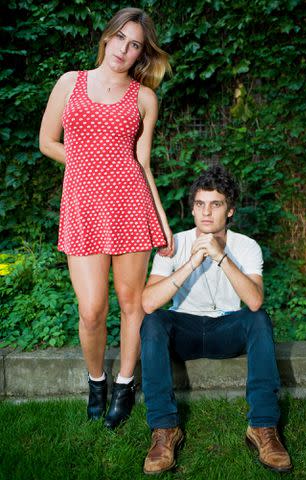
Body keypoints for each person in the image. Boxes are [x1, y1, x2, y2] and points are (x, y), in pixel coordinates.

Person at [39, 7, 173, 428]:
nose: (125, 49)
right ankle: (96, 380)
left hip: (131, 204)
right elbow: (47, 141)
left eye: (135, 45)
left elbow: (143, 163)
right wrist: (83, 163)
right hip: (82, 206)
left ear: (140, 54)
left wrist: (164, 221)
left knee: (132, 304)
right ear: (107, 37)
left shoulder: (144, 98)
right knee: (93, 308)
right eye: (120, 38)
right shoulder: (69, 82)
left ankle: (124, 384)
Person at [140, 165, 292, 474]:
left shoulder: (246, 246)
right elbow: (147, 302)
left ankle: (263, 427)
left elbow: (253, 300)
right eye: (200, 204)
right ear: (192, 208)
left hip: (227, 327)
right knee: (153, 321)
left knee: (258, 318)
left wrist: (220, 256)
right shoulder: (175, 244)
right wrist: (192, 262)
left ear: (230, 209)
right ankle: (164, 429)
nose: (206, 212)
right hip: (186, 329)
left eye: (216, 204)